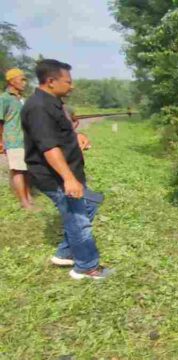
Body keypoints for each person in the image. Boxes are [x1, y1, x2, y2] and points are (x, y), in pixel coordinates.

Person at [21, 59, 112, 280]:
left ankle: (65, 252)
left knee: (89, 203)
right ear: (51, 81)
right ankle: (87, 267)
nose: (72, 86)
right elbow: (49, 147)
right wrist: (68, 179)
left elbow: (60, 134)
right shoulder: (38, 107)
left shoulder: (53, 103)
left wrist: (78, 136)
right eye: (68, 82)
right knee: (79, 221)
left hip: (70, 172)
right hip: (57, 177)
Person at [1, 68, 34, 209]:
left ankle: (28, 196)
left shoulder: (21, 99)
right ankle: (24, 202)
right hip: (13, 139)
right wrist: (1, 141)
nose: (24, 83)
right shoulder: (4, 98)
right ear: (12, 81)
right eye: (22, 79)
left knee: (25, 169)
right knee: (18, 170)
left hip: (25, 139)